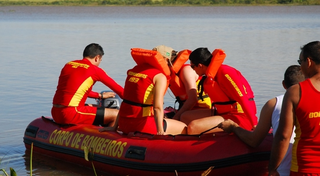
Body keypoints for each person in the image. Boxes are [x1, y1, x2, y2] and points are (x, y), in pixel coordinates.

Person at [218, 65, 305, 176]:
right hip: (309, 166)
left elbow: (254, 141)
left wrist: (233, 127)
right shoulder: (314, 100)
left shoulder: (273, 104)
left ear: (283, 84)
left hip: (283, 170)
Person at [100, 47, 187, 135]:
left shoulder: (134, 70)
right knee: (184, 127)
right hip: (141, 126)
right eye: (172, 61)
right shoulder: (159, 76)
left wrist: (114, 127)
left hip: (123, 124)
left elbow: (126, 101)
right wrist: (160, 132)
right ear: (166, 60)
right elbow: (157, 108)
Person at [268, 41, 320, 176]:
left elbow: (283, 136)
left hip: (306, 167)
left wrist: (273, 169)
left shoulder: (296, 92)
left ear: (308, 62)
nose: (300, 66)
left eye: (300, 61)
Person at [181, 47, 258, 135]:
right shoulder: (210, 76)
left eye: (192, 66)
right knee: (185, 117)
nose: (192, 69)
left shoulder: (225, 72)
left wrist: (254, 124)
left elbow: (243, 99)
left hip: (240, 116)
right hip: (223, 112)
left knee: (193, 127)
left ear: (200, 65)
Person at [51, 43, 124, 127]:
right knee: (115, 114)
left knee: (93, 106)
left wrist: (99, 95)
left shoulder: (68, 65)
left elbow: (75, 90)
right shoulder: (95, 70)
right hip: (71, 114)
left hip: (55, 112)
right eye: (100, 60)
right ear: (97, 58)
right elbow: (121, 91)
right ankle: (108, 139)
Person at [152, 45, 212, 121]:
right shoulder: (168, 75)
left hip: (202, 109)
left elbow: (193, 99)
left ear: (166, 60)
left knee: (182, 117)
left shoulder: (186, 70)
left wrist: (176, 117)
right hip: (187, 111)